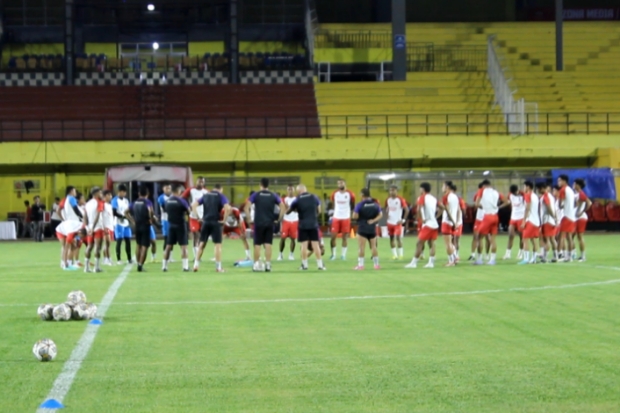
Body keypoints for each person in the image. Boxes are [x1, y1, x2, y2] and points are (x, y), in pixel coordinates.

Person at [245, 178, 285, 272]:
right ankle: (268, 265)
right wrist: (278, 219)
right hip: (269, 222)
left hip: (258, 223)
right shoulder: (273, 195)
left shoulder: (256, 195)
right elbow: (282, 206)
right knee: (268, 244)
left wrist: (249, 218)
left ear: (260, 184)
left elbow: (247, 207)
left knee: (257, 244)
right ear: (268, 185)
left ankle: (256, 265)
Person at [192, 184, 230, 272]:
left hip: (205, 222)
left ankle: (195, 265)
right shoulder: (221, 196)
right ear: (220, 189)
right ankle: (218, 267)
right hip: (215, 222)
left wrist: (198, 217)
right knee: (217, 245)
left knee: (201, 244)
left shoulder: (205, 195)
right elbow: (227, 208)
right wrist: (224, 220)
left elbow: (194, 205)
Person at [286, 184, 325, 270]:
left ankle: (304, 265)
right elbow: (319, 210)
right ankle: (320, 265)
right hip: (313, 224)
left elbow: (288, 212)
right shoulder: (314, 197)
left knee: (304, 245)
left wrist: (296, 210)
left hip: (303, 225)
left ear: (299, 191)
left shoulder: (297, 199)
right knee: (316, 245)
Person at [474, 180, 506, 265]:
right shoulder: (496, 192)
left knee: (479, 237)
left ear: (483, 185)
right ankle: (492, 260)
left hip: (487, 216)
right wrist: (498, 207)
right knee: (493, 240)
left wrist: (483, 207)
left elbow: (477, 203)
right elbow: (507, 202)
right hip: (495, 216)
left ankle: (480, 259)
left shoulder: (482, 190)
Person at [406, 183, 438, 269]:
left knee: (419, 243)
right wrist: (435, 217)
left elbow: (419, 208)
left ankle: (414, 263)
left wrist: (421, 218)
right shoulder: (433, 198)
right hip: (434, 223)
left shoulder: (422, 197)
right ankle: (431, 263)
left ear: (422, 189)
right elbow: (441, 207)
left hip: (427, 224)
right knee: (431, 243)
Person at [162, 184, 191, 272]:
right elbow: (189, 211)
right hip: (180, 225)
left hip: (171, 225)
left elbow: (165, 211)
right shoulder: (182, 201)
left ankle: (164, 266)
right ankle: (185, 267)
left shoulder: (167, 201)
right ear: (179, 191)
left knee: (168, 246)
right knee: (184, 247)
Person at [351, 188, 382, 270]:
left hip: (362, 228)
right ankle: (376, 265)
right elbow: (380, 215)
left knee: (361, 247)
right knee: (373, 247)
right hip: (372, 228)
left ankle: (360, 265)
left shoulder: (360, 205)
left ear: (362, 195)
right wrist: (373, 220)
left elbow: (355, 216)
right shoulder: (375, 204)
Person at [125, 186, 154, 272]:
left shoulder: (134, 202)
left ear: (139, 194)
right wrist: (151, 218)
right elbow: (150, 210)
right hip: (145, 225)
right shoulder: (147, 202)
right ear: (147, 194)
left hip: (137, 225)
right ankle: (140, 265)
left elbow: (125, 212)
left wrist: (132, 220)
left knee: (138, 244)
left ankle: (138, 263)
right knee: (145, 246)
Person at [55, 186, 83, 270]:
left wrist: (64, 220)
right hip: (70, 226)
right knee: (69, 245)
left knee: (69, 246)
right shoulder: (71, 199)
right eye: (74, 191)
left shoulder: (66, 199)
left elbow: (59, 210)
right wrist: (82, 217)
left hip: (65, 226)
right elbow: (75, 210)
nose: (76, 192)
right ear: (71, 191)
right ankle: (66, 264)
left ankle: (66, 263)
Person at [181, 176, 209, 260]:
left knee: (202, 237)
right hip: (193, 216)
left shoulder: (206, 192)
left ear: (204, 183)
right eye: (199, 182)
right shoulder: (191, 190)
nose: (200, 183)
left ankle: (199, 254)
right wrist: (187, 207)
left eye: (202, 182)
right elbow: (183, 199)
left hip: (203, 216)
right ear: (196, 182)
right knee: (195, 234)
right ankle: (195, 256)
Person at [329, 179, 356, 260]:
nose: (339, 184)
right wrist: (334, 213)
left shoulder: (350, 194)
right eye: (338, 183)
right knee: (333, 237)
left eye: (341, 183)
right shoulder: (334, 193)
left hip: (346, 218)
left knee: (345, 237)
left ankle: (343, 255)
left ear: (345, 183)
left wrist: (351, 215)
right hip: (336, 217)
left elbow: (352, 205)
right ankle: (333, 255)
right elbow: (333, 204)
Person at [384, 185, 409, 260]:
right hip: (390, 222)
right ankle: (394, 255)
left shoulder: (400, 199)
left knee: (398, 238)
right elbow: (386, 208)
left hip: (397, 222)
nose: (391, 192)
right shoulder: (387, 200)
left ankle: (401, 255)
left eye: (393, 190)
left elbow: (407, 210)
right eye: (390, 190)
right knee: (391, 238)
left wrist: (403, 220)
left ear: (396, 191)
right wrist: (387, 215)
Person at [83, 187, 104, 273]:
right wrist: (93, 227)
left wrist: (87, 227)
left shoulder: (87, 204)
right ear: (96, 194)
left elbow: (85, 216)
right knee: (97, 247)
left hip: (89, 227)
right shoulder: (99, 202)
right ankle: (96, 267)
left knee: (89, 246)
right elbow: (98, 216)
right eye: (100, 193)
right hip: (97, 226)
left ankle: (86, 267)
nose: (101, 194)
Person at [439, 181, 460, 266]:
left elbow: (447, 210)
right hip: (453, 222)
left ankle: (451, 261)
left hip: (447, 221)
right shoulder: (455, 196)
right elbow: (458, 210)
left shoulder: (446, 196)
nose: (442, 188)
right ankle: (455, 257)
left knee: (447, 243)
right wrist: (457, 222)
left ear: (447, 187)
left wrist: (453, 221)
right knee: (450, 242)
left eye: (443, 186)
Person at [519, 181, 540, 265]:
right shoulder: (535, 196)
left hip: (530, 220)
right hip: (536, 221)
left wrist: (524, 221)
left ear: (528, 187)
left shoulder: (528, 195)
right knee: (534, 240)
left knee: (525, 239)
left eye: (524, 186)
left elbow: (527, 208)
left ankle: (526, 259)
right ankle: (534, 258)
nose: (523, 188)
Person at [557, 174, 576, 262]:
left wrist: (561, 206)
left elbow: (560, 204)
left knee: (560, 236)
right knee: (569, 237)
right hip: (572, 216)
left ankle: (558, 255)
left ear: (564, 181)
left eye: (560, 180)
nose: (558, 182)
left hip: (566, 216)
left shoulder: (563, 190)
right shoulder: (571, 190)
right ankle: (570, 256)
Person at [503, 184, 525, 260]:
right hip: (513, 218)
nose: (513, 194)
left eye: (514, 193)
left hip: (521, 218)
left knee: (522, 237)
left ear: (517, 190)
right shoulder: (510, 194)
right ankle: (507, 254)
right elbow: (509, 202)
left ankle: (521, 253)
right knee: (511, 235)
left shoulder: (523, 195)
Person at [111, 184, 132, 265]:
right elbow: (114, 212)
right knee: (119, 241)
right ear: (119, 192)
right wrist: (122, 217)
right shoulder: (114, 200)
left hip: (126, 223)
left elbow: (128, 211)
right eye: (122, 192)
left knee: (128, 241)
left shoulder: (126, 201)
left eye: (124, 192)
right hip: (118, 223)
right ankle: (119, 260)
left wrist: (130, 219)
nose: (123, 193)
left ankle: (129, 259)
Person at [538, 183, 558, 263]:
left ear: (543, 188)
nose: (538, 190)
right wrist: (555, 218)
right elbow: (554, 208)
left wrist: (553, 216)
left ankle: (545, 257)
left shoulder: (545, 196)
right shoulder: (551, 196)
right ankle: (555, 256)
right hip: (551, 221)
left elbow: (549, 206)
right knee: (552, 239)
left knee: (547, 240)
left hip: (547, 220)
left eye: (539, 189)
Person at [573, 178, 592, 262]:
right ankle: (573, 253)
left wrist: (582, 212)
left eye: (574, 184)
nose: (573, 185)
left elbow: (589, 202)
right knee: (571, 236)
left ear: (578, 185)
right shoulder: (576, 194)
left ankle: (583, 256)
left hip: (580, 218)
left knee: (579, 236)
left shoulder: (581, 194)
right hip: (575, 218)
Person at [278, 185, 299, 261]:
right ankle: (280, 254)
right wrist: (280, 222)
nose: (290, 191)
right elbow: (282, 211)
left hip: (295, 221)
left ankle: (291, 254)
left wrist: (290, 208)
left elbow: (298, 210)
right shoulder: (284, 199)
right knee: (283, 238)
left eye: (291, 189)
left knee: (293, 239)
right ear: (287, 190)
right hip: (286, 221)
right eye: (289, 189)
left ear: (294, 190)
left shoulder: (297, 199)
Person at [158, 183, 173, 261]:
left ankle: (171, 256)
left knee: (172, 238)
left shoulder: (173, 196)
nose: (168, 190)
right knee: (166, 238)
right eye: (167, 188)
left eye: (169, 188)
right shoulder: (161, 198)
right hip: (165, 220)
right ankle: (165, 256)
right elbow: (164, 208)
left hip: (173, 220)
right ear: (163, 189)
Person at [101, 190, 115, 266]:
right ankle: (108, 259)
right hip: (105, 226)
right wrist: (103, 226)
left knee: (107, 244)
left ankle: (106, 259)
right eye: (109, 195)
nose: (111, 197)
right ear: (105, 196)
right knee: (107, 243)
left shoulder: (109, 205)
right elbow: (100, 216)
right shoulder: (102, 204)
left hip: (110, 226)